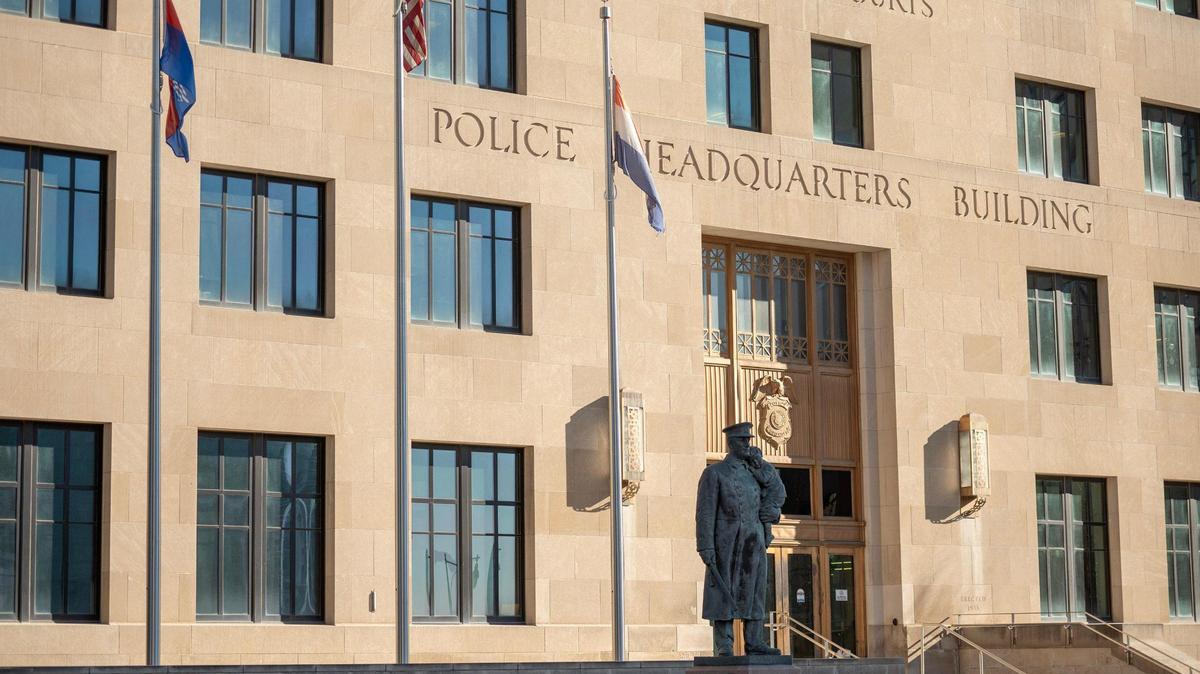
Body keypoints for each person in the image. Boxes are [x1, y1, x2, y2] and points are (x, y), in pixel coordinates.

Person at [695, 421, 787, 657]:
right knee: (723, 591)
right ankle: (724, 644)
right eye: (742, 440)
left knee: (755, 590)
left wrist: (772, 513)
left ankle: (755, 640)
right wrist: (705, 546)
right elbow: (705, 512)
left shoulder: (756, 471)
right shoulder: (715, 473)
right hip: (726, 541)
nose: (747, 444)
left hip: (753, 539)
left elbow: (775, 495)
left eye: (748, 440)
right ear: (731, 443)